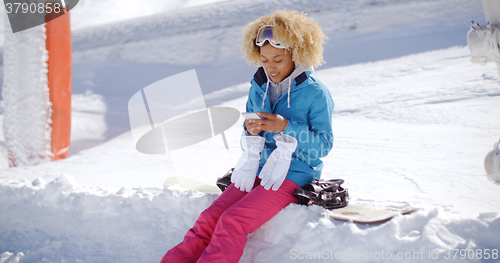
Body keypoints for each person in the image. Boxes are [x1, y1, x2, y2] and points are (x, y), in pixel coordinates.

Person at [160, 10, 334, 263]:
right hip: (257, 167)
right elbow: (247, 135)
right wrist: (250, 132)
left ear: (296, 55)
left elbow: (323, 146)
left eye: (278, 59)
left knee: (233, 220)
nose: (270, 67)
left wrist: (285, 126)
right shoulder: (259, 86)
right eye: (264, 59)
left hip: (294, 173)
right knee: (209, 219)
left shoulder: (316, 93)